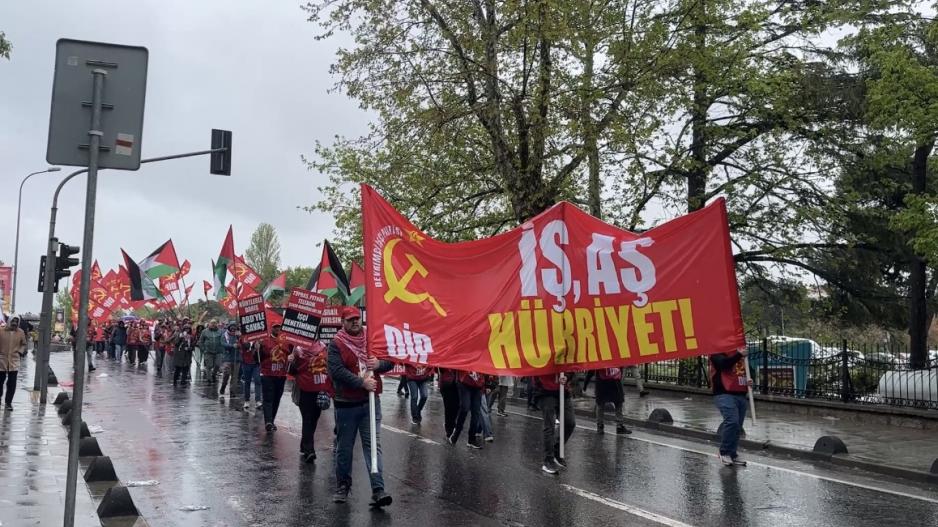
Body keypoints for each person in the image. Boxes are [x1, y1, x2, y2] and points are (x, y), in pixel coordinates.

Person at [328, 306, 393, 507]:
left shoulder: (372, 339)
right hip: (346, 404)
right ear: (343, 322)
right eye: (350, 319)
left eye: (357, 318)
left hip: (370, 403)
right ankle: (343, 486)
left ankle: (378, 489)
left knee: (373, 445)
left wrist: (379, 364)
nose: (355, 321)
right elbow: (337, 371)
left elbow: (390, 360)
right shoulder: (336, 344)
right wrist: (361, 383)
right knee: (345, 447)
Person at [289, 342, 333, 463]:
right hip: (304, 390)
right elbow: (291, 371)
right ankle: (309, 450)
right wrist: (291, 361)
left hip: (320, 389)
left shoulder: (323, 347)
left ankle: (304, 445)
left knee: (314, 419)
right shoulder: (297, 349)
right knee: (307, 419)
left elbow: (328, 367)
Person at [710, 348, 750, 467]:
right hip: (724, 393)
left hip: (740, 394)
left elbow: (747, 371)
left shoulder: (740, 354)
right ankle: (724, 452)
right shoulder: (716, 352)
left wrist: (750, 380)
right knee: (732, 421)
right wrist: (738, 354)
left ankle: (732, 454)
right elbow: (724, 364)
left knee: (737, 426)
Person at [537, 372, 575, 475]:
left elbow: (571, 365)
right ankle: (548, 460)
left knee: (570, 423)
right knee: (549, 426)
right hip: (547, 391)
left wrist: (567, 376)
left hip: (563, 390)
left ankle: (556, 451)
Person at [259, 324, 290, 431]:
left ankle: (271, 420)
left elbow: (291, 353)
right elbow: (257, 358)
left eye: (279, 327)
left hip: (281, 375)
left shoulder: (286, 341)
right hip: (267, 374)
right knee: (268, 398)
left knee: (276, 398)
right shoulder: (264, 341)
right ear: (271, 329)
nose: (277, 329)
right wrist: (257, 348)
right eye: (275, 327)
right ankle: (268, 421)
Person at [587, 367, 632, 435]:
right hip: (613, 382)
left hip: (603, 383)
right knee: (617, 403)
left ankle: (600, 426)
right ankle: (619, 426)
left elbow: (591, 370)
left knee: (602, 404)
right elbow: (621, 368)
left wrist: (585, 384)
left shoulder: (599, 361)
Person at [450, 370, 485, 449]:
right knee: (465, 408)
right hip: (464, 383)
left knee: (476, 412)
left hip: (478, 385)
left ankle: (471, 439)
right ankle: (456, 433)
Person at [0, 316, 28, 411]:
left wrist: (20, 352)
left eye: (16, 321)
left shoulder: (20, 332)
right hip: (2, 360)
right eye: (13, 321)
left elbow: (23, 344)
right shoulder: (1, 331)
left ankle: (8, 403)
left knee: (12, 383)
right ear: (9, 321)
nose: (14, 323)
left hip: (14, 361)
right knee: (0, 382)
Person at [219, 323, 241, 399]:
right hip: (227, 358)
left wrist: (239, 343)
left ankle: (232, 391)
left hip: (237, 358)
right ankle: (223, 386)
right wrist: (232, 346)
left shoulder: (239, 336)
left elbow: (244, 344)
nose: (233, 330)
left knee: (234, 377)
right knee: (226, 374)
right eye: (232, 328)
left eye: (235, 328)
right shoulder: (224, 335)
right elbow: (223, 343)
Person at [240, 339, 263, 410]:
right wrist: (251, 345)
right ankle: (247, 400)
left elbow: (263, 349)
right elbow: (242, 346)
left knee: (257, 381)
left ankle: (258, 401)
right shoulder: (243, 337)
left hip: (256, 364)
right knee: (247, 382)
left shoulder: (258, 338)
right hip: (246, 363)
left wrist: (259, 346)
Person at [438, 368, 459, 439]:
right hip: (446, 384)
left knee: (456, 407)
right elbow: (439, 369)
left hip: (458, 384)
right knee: (448, 408)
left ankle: (452, 423)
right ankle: (449, 429)